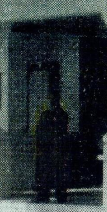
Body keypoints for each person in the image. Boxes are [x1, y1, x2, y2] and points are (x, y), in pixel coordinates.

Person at [33, 75, 71, 203]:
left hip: (56, 147)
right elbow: (39, 131)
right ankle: (44, 194)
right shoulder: (46, 114)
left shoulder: (61, 115)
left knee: (58, 172)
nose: (52, 101)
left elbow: (62, 131)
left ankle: (59, 195)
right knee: (46, 172)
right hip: (47, 147)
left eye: (54, 99)